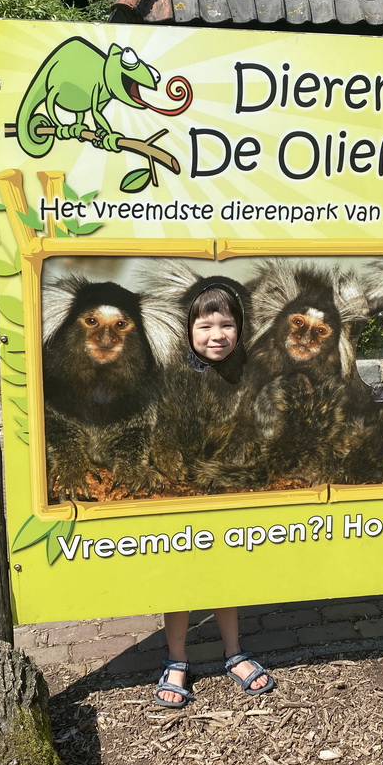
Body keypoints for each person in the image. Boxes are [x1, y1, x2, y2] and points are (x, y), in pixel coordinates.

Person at [155, 285, 275, 707]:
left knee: (225, 578)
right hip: (182, 499)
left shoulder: (249, 373)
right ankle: (176, 658)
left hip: (229, 495)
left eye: (227, 325)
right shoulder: (173, 376)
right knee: (179, 584)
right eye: (205, 326)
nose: (217, 335)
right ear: (189, 330)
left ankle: (233, 651)